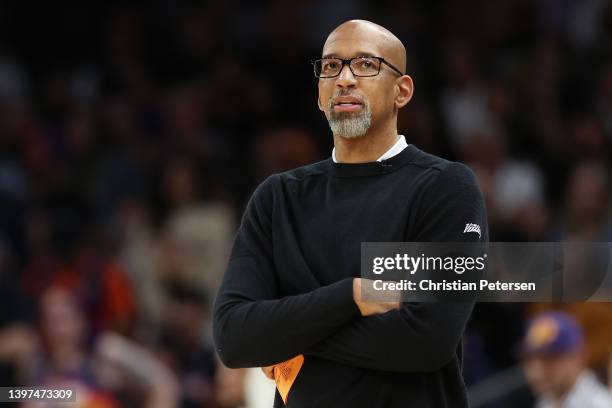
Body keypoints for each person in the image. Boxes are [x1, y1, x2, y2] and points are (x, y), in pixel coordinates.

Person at [213, 19, 488, 407]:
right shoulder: (276, 198)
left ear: (402, 91)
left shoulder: (446, 187)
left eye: (364, 65)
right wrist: (354, 294)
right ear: (320, 94)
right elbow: (233, 337)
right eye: (330, 67)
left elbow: (427, 340)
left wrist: (286, 332)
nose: (344, 78)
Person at [521, 311, 612, 408]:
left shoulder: (600, 404)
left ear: (578, 356)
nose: (536, 371)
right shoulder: (546, 402)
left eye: (549, 359)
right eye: (530, 359)